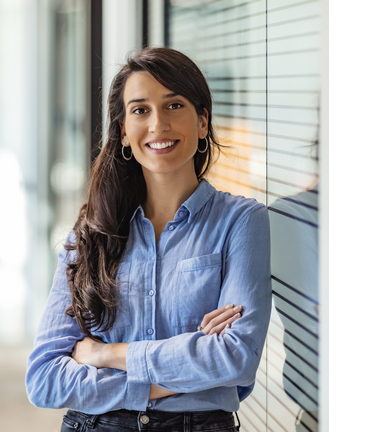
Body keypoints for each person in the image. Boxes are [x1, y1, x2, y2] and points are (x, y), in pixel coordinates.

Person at [25, 48, 272, 432]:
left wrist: (107, 353)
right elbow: (43, 379)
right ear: (123, 131)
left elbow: (235, 357)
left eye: (174, 105)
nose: (158, 124)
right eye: (140, 110)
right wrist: (185, 369)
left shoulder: (241, 222)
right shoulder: (91, 234)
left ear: (203, 121)